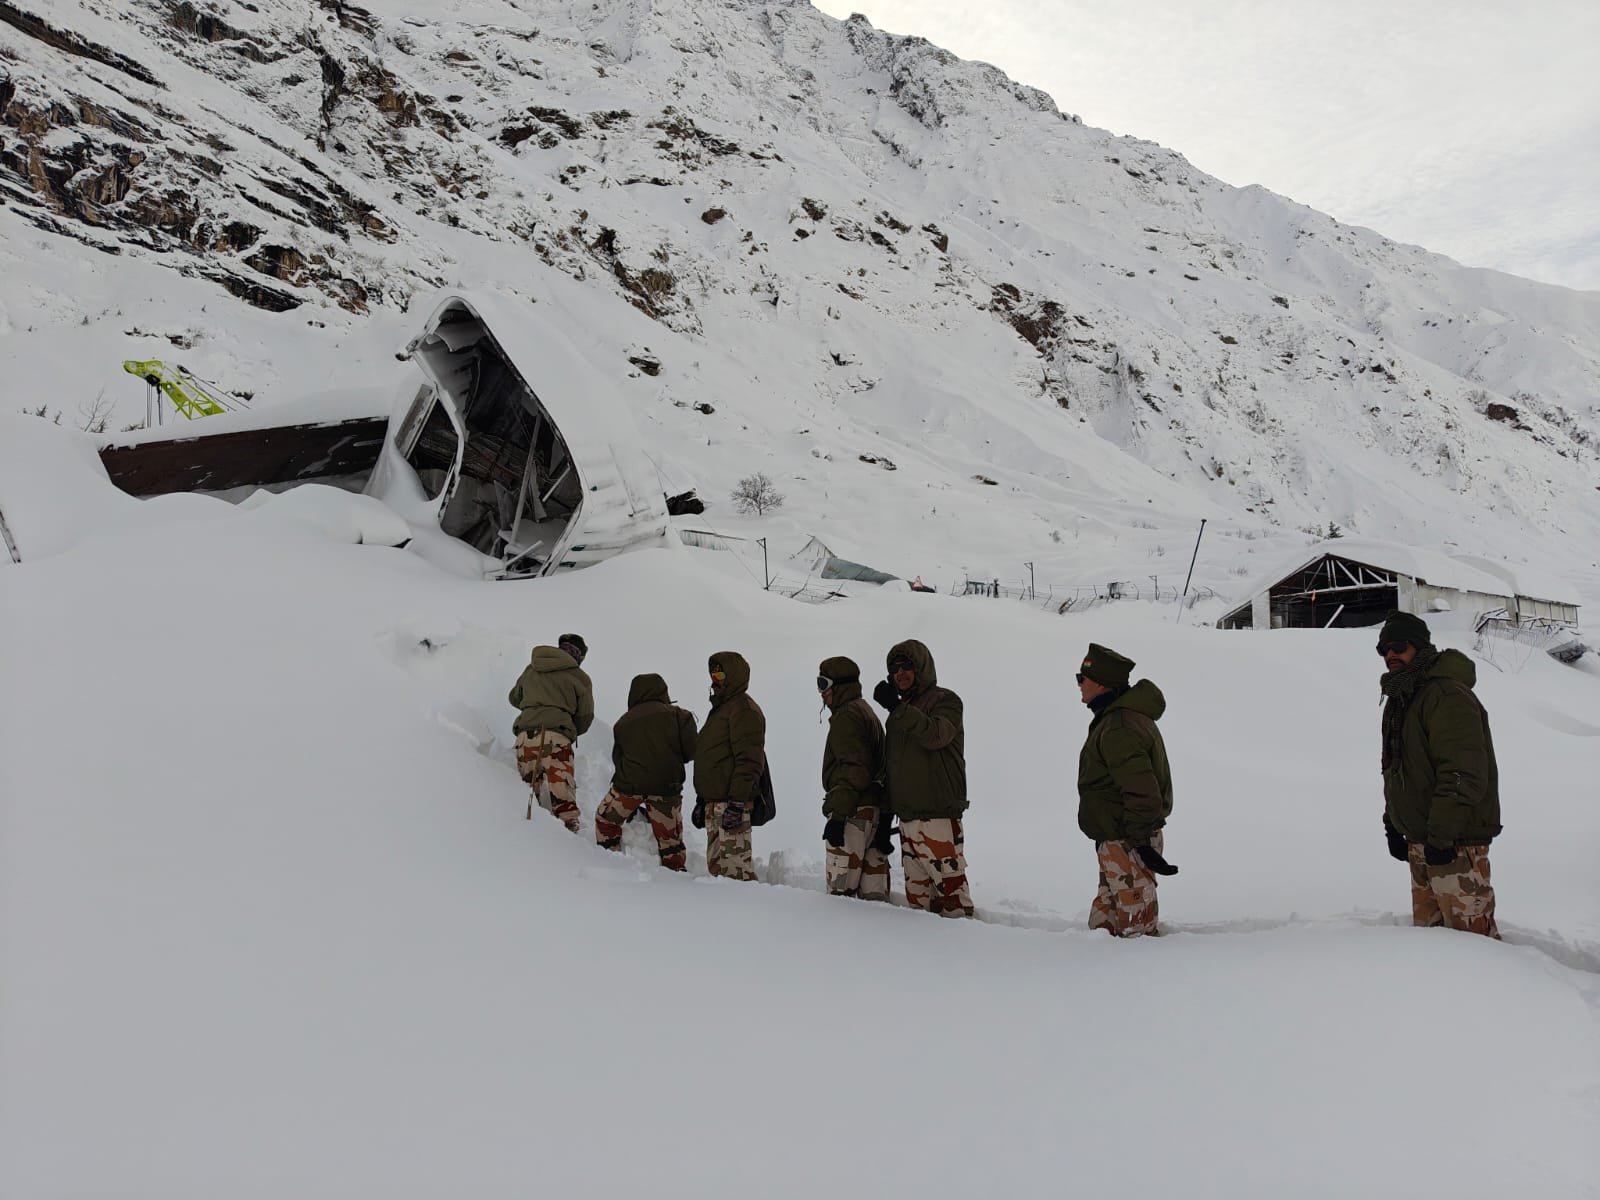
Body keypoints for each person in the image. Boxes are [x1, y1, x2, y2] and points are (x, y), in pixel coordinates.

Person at [1376, 612, 1501, 938]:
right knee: (1434, 954)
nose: (1391, 654)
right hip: (1424, 844)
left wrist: (1441, 836)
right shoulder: (1402, 698)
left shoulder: (1445, 696)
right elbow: (1398, 769)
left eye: (1399, 646)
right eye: (1384, 649)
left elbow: (1463, 773)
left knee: (1474, 949)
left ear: (1418, 647)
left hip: (1456, 847)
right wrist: (1394, 823)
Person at [1075, 643, 1177, 938]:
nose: (1079, 685)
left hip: (1128, 841)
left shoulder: (1120, 726)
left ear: (1101, 683)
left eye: (1082, 678)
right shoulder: (1114, 720)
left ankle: (1139, 983)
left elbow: (1143, 791)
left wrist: (1141, 844)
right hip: (1117, 840)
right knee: (1103, 932)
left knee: (1137, 935)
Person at [872, 640, 972, 917]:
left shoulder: (946, 701)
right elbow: (894, 768)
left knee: (954, 905)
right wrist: (886, 815)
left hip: (938, 818)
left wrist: (897, 708)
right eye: (894, 668)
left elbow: (936, 735)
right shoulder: (897, 716)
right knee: (917, 909)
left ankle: (966, 956)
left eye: (907, 666)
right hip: (908, 821)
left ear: (922, 668)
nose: (900, 673)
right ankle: (922, 959)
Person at [594, 673, 698, 870]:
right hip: (666, 788)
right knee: (671, 841)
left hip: (629, 787)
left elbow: (619, 758)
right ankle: (676, 876)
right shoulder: (680, 716)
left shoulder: (623, 723)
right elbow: (691, 751)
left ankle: (609, 860)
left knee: (605, 820)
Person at [818, 656, 890, 901]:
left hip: (852, 815)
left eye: (823, 684)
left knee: (841, 897)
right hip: (872, 812)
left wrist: (838, 817)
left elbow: (855, 770)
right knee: (874, 901)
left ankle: (839, 938)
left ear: (839, 685)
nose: (822, 693)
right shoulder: (865, 710)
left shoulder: (846, 716)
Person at [508, 634, 594, 833]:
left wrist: (534, 705)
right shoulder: (579, 677)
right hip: (557, 738)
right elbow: (585, 716)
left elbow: (514, 698)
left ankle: (525, 838)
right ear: (579, 655)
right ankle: (569, 847)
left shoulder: (532, 668)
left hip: (525, 737)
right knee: (563, 800)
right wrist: (569, 727)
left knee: (524, 794)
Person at [691, 651, 765, 880]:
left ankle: (746, 916)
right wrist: (703, 800)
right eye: (713, 673)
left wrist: (737, 802)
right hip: (715, 806)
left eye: (720, 673)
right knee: (718, 875)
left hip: (732, 806)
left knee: (736, 876)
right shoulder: (722, 709)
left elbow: (750, 760)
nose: (715, 679)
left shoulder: (744, 710)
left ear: (733, 675)